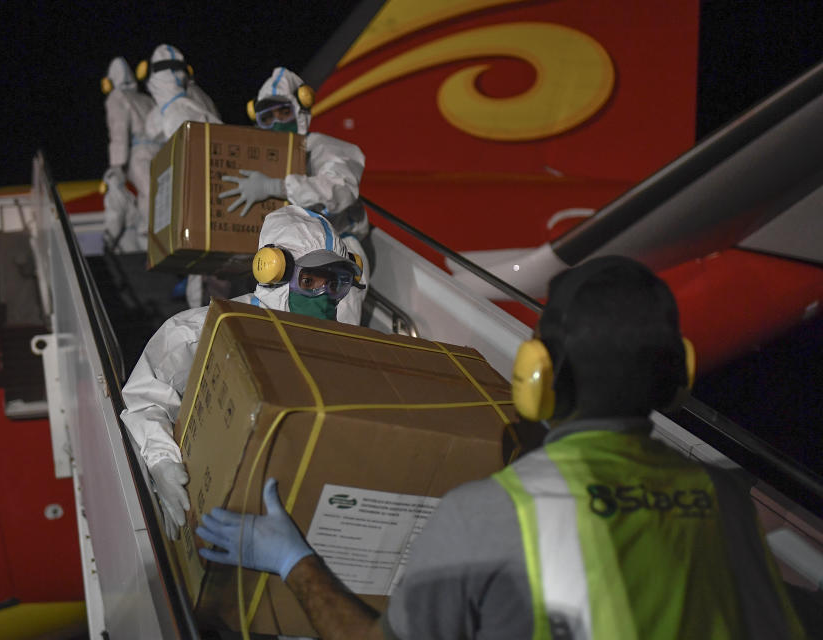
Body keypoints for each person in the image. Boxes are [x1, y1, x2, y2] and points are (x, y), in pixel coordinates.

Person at [195, 255, 807, 639]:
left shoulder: (489, 514)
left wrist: (293, 562)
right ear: (678, 379)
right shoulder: (725, 502)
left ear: (535, 375)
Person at [121, 205, 369, 542]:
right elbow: (145, 401)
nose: (324, 297)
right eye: (310, 281)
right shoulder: (200, 331)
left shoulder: (341, 342)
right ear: (273, 272)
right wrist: (161, 463)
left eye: (336, 284)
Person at [219, 67, 369, 240]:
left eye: (284, 113)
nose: (276, 123)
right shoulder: (268, 159)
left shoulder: (323, 147)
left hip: (342, 242)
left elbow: (340, 190)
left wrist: (275, 187)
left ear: (300, 110)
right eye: (267, 118)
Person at [140, 43, 224, 309]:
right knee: (201, 266)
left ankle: (203, 317)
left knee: (201, 266)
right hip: (205, 193)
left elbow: (187, 157)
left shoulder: (180, 108)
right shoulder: (186, 100)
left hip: (198, 195)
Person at [100, 56, 161, 252]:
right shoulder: (146, 99)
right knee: (160, 198)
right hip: (160, 153)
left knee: (148, 198)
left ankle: (148, 245)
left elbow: (119, 132)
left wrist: (117, 166)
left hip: (139, 154)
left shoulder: (117, 98)